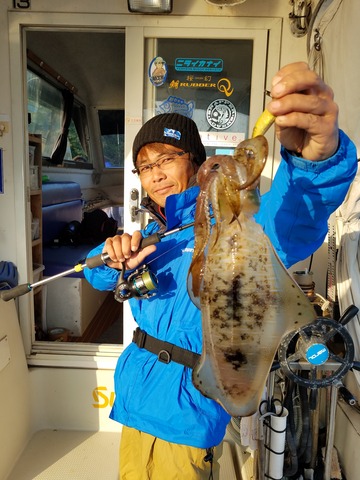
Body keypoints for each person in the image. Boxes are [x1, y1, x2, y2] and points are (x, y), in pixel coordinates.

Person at [84, 62, 357, 480]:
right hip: (135, 402)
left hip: (188, 413)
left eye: (166, 159)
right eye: (144, 165)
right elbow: (96, 275)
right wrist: (110, 255)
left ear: (195, 163)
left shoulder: (230, 225)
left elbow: (290, 223)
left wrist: (312, 165)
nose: (154, 173)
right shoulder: (154, 233)